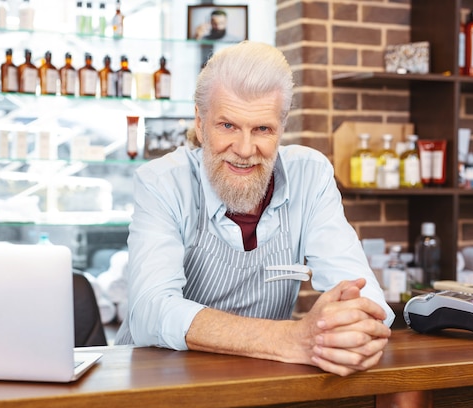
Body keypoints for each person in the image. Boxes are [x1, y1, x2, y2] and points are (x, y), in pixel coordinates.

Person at [115, 41, 395, 377]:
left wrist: (354, 327)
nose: (245, 149)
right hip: (158, 385)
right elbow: (150, 312)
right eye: (228, 126)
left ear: (282, 129)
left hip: (258, 382)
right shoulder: (162, 182)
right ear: (201, 124)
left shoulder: (311, 175)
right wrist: (289, 339)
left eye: (262, 128)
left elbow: (368, 300)